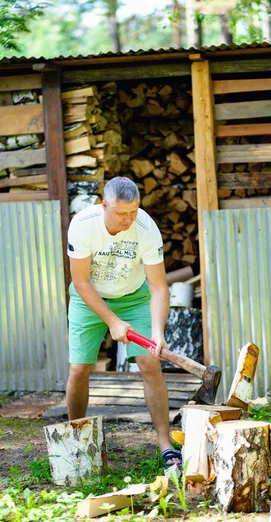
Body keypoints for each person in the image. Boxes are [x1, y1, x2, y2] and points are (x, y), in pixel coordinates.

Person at [65, 176, 181, 468]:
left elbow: (158, 287)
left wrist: (157, 331)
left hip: (134, 296)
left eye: (134, 211)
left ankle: (165, 444)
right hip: (88, 297)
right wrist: (113, 321)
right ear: (104, 205)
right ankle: (75, 442)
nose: (129, 219)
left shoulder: (146, 228)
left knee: (150, 363)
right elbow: (80, 282)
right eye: (121, 213)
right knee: (79, 368)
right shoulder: (82, 224)